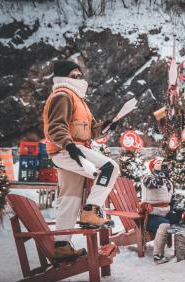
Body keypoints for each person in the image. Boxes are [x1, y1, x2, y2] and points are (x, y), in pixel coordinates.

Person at [43, 60, 120, 261]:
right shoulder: (62, 95)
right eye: (73, 75)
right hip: (68, 149)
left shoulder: (78, 99)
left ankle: (62, 245)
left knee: (70, 198)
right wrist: (70, 147)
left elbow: (91, 130)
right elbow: (56, 127)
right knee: (110, 168)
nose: (78, 78)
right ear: (63, 77)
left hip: (71, 149)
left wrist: (105, 127)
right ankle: (91, 210)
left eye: (79, 75)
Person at [141, 158, 185, 264]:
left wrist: (181, 211)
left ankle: (184, 250)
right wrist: (160, 173)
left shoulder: (168, 182)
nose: (165, 167)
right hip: (151, 216)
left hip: (165, 213)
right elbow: (153, 184)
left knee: (183, 219)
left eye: (166, 166)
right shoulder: (147, 178)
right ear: (153, 167)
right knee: (164, 224)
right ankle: (158, 256)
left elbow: (171, 202)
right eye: (160, 165)